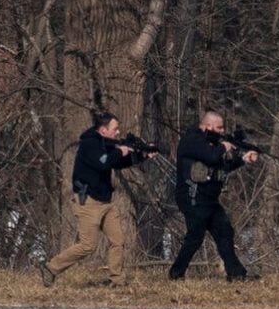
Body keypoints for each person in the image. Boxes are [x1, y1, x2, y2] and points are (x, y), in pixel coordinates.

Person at [39, 112, 156, 287]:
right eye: (115, 129)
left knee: (118, 240)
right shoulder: (89, 145)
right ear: (103, 130)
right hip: (88, 201)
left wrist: (143, 156)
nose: (118, 133)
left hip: (106, 202)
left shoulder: (106, 144)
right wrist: (119, 151)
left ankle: (116, 280)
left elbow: (117, 163)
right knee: (87, 246)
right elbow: (105, 162)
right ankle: (50, 268)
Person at [169, 110, 260, 282]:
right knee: (195, 237)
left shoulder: (211, 144)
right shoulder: (192, 140)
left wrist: (243, 159)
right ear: (208, 126)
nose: (221, 131)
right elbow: (211, 157)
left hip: (209, 199)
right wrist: (224, 146)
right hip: (192, 196)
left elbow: (220, 167)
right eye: (219, 128)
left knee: (225, 232)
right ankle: (176, 273)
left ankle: (236, 274)